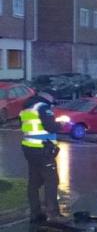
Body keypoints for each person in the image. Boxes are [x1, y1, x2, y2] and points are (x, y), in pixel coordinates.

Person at [20, 92, 62, 223]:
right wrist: (61, 125)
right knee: (52, 181)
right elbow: (50, 126)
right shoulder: (43, 107)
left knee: (34, 182)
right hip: (43, 150)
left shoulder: (26, 108)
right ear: (47, 96)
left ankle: (35, 213)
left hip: (29, 149)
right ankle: (53, 213)